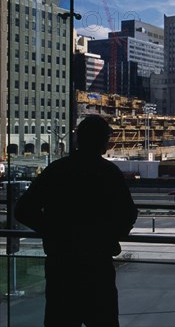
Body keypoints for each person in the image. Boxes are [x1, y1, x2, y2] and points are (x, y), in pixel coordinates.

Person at [15, 115, 138, 327]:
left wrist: (52, 231)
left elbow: (23, 210)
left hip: (62, 267)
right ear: (101, 141)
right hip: (97, 267)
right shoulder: (108, 173)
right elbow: (128, 214)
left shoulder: (57, 170)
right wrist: (111, 238)